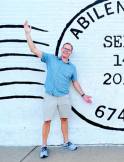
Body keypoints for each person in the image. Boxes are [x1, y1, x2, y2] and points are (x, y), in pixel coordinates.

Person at [24, 20, 92, 158]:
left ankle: (65, 142)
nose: (66, 50)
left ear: (71, 53)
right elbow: (33, 49)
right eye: (64, 48)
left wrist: (83, 95)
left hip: (64, 97)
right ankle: (44, 146)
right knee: (47, 121)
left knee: (64, 119)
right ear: (61, 50)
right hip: (50, 95)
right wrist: (27, 34)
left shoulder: (72, 68)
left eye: (68, 49)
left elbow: (75, 83)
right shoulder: (50, 59)